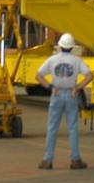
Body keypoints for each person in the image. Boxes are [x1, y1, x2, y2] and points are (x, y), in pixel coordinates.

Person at [36, 33, 91, 170]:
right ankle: (75, 160)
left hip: (57, 93)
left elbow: (38, 75)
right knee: (72, 128)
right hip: (71, 94)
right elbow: (90, 76)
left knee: (52, 128)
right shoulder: (76, 60)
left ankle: (47, 160)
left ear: (60, 46)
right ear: (72, 47)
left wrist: (50, 87)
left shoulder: (52, 59)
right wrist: (78, 87)